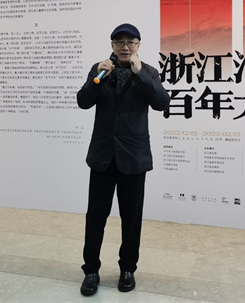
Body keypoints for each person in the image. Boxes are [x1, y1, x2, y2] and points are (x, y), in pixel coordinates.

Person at [77, 23, 170, 296]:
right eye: (120, 42)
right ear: (112, 45)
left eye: (130, 42)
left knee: (131, 218)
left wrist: (141, 75)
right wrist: (97, 78)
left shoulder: (148, 72)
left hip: (133, 157)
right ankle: (91, 270)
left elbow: (162, 102)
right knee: (96, 216)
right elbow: (83, 101)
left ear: (138, 45)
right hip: (103, 156)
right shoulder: (100, 70)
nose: (125, 47)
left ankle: (128, 269)